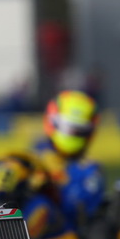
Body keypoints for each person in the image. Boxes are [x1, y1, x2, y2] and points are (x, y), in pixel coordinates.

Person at [35, 90, 105, 231]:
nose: (72, 133)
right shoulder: (34, 158)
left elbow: (76, 209)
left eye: (79, 130)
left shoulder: (89, 171)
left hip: (64, 233)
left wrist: (51, 186)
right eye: (68, 128)